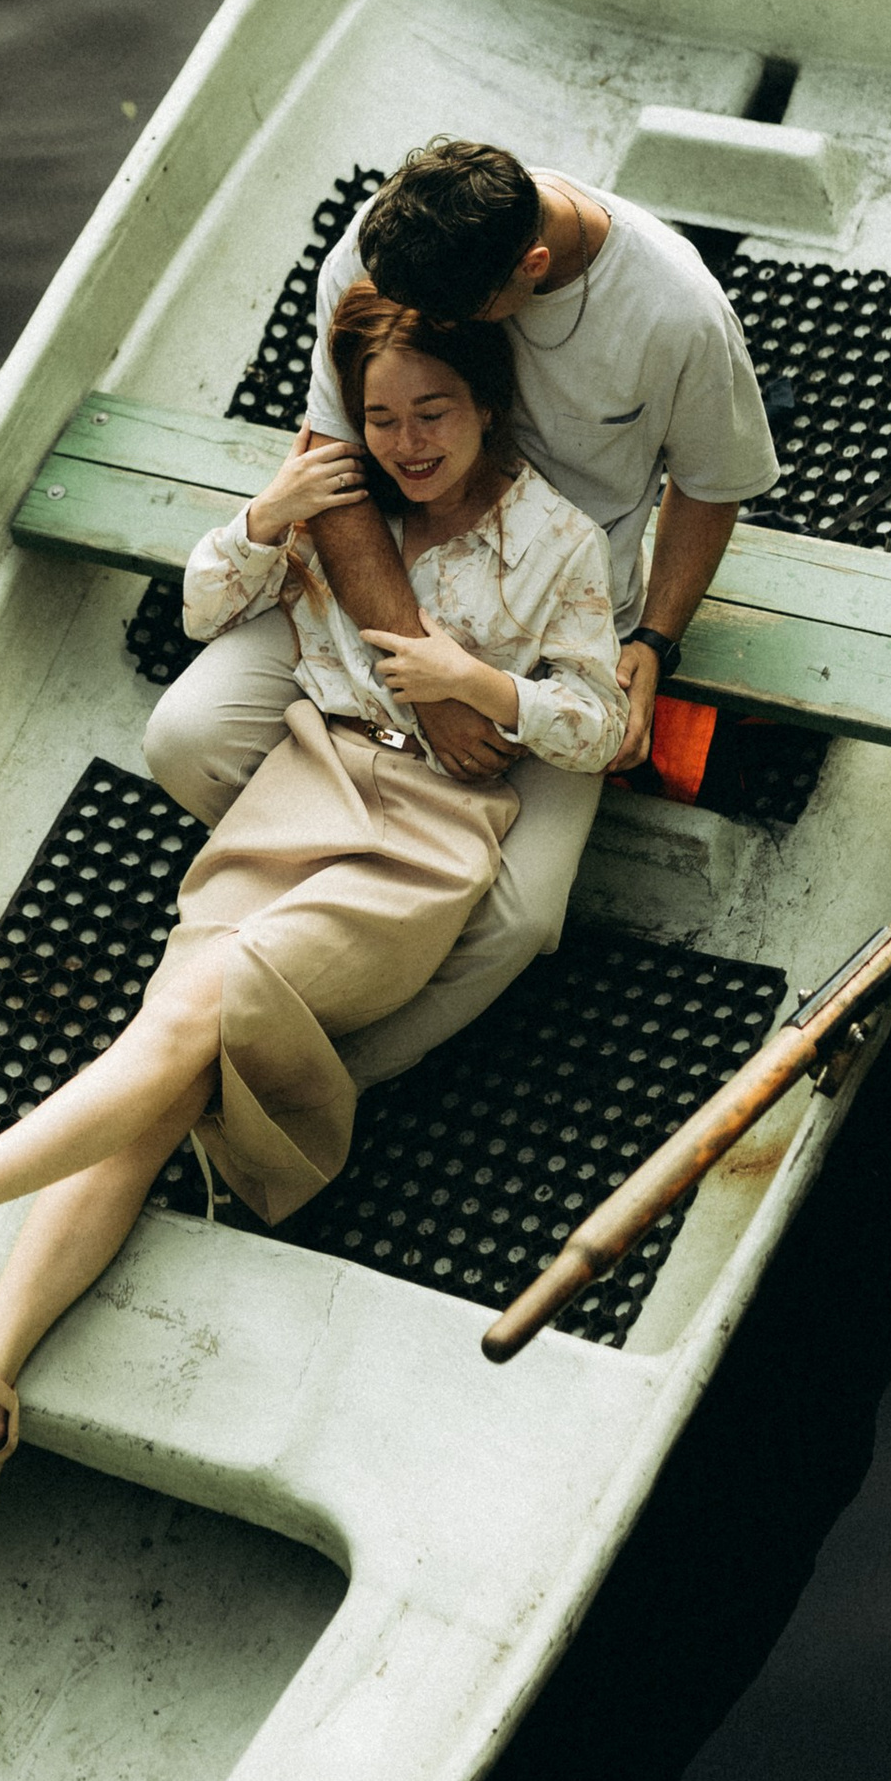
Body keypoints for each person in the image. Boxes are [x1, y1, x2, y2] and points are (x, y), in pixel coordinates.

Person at [0, 288, 626, 1514]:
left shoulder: (559, 542)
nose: (409, 442)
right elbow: (196, 610)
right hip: (301, 782)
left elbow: (603, 726)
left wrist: (482, 686)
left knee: (188, 1019)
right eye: (384, 417)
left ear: (487, 404)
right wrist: (258, 521)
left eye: (434, 411)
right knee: (159, 1085)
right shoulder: (338, 501)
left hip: (427, 838)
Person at [144, 134, 778, 1080]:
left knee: (520, 920)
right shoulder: (389, 249)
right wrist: (426, 677)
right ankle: (339, 916)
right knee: (186, 740)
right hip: (377, 584)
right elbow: (337, 469)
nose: (419, 327)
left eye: (449, 321)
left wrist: (656, 637)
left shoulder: (677, 313)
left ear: (528, 270)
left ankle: (334, 1073)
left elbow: (714, 482)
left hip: (548, 620)